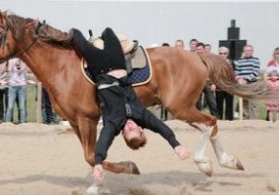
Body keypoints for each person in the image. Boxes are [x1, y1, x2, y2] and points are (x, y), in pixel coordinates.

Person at [72, 27, 190, 182]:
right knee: (108, 31)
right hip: (117, 63)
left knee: (75, 34)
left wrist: (99, 164)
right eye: (134, 129)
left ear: (123, 134)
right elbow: (161, 127)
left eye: (128, 131)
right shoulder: (141, 115)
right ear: (140, 128)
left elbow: (103, 142)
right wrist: (176, 145)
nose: (130, 127)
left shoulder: (113, 123)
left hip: (100, 68)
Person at [234, 44, 261, 119]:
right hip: (242, 84)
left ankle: (254, 120)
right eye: (246, 50)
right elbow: (236, 72)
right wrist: (239, 79)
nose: (247, 52)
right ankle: (246, 119)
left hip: (253, 84)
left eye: (249, 50)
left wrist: (246, 79)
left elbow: (255, 72)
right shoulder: (239, 61)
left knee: (254, 103)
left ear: (252, 51)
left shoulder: (256, 60)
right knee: (244, 103)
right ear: (243, 51)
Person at [195, 42, 219, 118]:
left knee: (212, 102)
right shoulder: (194, 58)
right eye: (197, 49)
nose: (199, 50)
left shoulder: (209, 59)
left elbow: (213, 72)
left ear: (204, 49)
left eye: (200, 49)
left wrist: (214, 83)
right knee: (197, 103)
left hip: (208, 83)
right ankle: (199, 119)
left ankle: (216, 118)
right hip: (197, 83)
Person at [5, 58, 28, 124]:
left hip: (21, 86)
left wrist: (20, 62)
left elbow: (21, 71)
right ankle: (7, 122)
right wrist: (14, 63)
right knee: (10, 107)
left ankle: (22, 122)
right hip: (12, 86)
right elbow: (9, 70)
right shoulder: (10, 60)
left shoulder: (23, 61)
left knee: (22, 106)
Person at [215, 47, 234, 120]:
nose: (222, 55)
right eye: (221, 53)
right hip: (219, 85)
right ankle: (219, 118)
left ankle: (229, 119)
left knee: (229, 103)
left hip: (229, 85)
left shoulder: (232, 63)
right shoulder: (216, 63)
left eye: (224, 53)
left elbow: (235, 74)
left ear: (227, 54)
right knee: (219, 103)